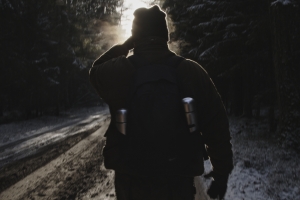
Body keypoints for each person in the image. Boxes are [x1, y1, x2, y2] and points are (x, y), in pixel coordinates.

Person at [89, 5, 233, 200]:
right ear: (165, 36)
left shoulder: (119, 71)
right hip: (177, 180)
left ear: (135, 35)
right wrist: (221, 174)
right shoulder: (191, 71)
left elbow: (95, 71)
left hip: (132, 180)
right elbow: (216, 124)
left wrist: (125, 46)